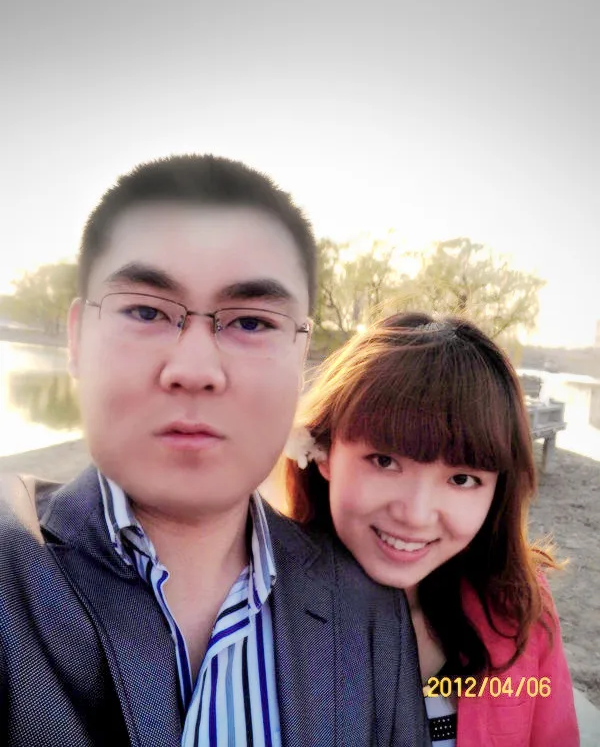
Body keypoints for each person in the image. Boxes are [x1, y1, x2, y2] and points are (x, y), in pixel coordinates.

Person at [0, 156, 429, 746]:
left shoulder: (367, 610)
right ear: (77, 339)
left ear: (301, 358)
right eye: (146, 311)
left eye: (251, 322)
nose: (195, 369)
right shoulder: (12, 572)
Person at [283, 312, 579, 747]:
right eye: (385, 461)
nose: (416, 515)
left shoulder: (519, 605)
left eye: (461, 479)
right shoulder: (260, 604)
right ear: (324, 451)